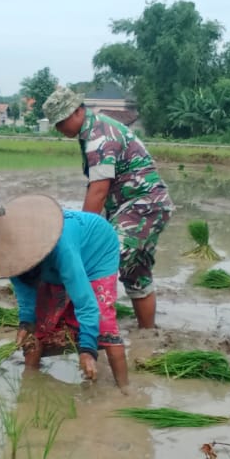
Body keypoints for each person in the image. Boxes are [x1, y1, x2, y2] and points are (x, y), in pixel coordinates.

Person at [42, 85, 173, 330]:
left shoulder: (98, 136)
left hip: (142, 205)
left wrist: (81, 237)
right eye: (56, 124)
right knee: (135, 273)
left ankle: (93, 333)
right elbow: (98, 188)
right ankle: (147, 336)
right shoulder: (91, 131)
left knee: (100, 261)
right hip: (136, 207)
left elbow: (99, 191)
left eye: (61, 122)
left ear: (77, 112)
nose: (60, 129)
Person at [0, 194, 130, 391]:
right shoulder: (12, 257)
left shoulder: (62, 250)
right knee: (40, 327)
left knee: (104, 324)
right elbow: (25, 294)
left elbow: (86, 304)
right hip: (56, 261)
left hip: (97, 251)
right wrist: (26, 321)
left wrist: (87, 350)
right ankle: (30, 381)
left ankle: (125, 390)